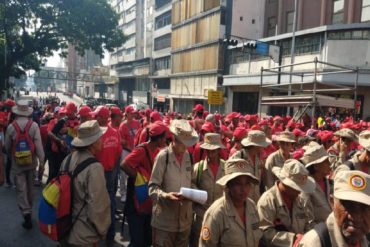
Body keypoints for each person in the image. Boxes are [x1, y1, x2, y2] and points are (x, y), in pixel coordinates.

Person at [59, 120, 111, 247]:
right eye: (99, 138)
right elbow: (98, 205)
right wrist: (102, 230)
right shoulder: (95, 167)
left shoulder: (68, 159)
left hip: (65, 227)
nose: (102, 141)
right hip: (84, 234)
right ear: (92, 143)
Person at [149, 119, 198, 247]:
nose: (185, 147)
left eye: (187, 144)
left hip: (184, 222)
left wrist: (194, 193)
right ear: (174, 139)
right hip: (164, 222)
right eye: (183, 144)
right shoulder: (162, 157)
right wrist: (165, 195)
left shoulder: (189, 157)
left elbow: (191, 182)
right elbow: (152, 188)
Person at [121, 121, 168, 247]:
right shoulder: (141, 150)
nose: (165, 140)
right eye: (164, 137)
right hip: (136, 202)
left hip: (147, 201)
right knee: (137, 241)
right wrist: (140, 178)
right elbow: (124, 165)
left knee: (147, 239)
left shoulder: (158, 150)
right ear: (158, 139)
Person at [199, 158, 262, 247]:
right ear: (228, 185)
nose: (243, 189)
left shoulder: (252, 206)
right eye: (238, 184)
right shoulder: (216, 214)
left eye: (247, 183)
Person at [298, 170, 370, 247]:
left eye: (366, 208)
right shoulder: (314, 243)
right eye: (348, 206)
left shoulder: (363, 238)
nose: (356, 217)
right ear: (332, 203)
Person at [4, 100, 44, 229]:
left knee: (21, 188)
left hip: (17, 163)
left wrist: (11, 156)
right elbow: (38, 145)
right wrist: (42, 161)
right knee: (30, 188)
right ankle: (30, 208)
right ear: (27, 112)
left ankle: (26, 212)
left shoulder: (11, 127)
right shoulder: (34, 126)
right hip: (31, 162)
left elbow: (7, 146)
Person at [257, 159, 315, 247]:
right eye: (296, 188)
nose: (299, 192)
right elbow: (264, 233)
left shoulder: (300, 200)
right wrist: (292, 239)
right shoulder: (267, 201)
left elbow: (307, 225)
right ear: (286, 184)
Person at [93, 106, 122, 247]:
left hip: (97, 172)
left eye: (97, 116)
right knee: (110, 201)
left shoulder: (96, 134)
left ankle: (98, 234)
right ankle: (110, 234)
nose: (95, 118)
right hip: (110, 170)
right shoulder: (115, 133)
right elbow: (118, 152)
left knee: (96, 202)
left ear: (102, 117)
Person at [190, 133, 226, 247]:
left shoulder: (226, 167)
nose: (211, 153)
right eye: (208, 150)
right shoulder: (198, 167)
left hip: (221, 216)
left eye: (214, 151)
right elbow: (190, 184)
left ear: (219, 150)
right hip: (201, 216)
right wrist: (198, 194)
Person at [230, 130, 271, 203]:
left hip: (255, 202)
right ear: (256, 146)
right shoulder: (238, 157)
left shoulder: (258, 159)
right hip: (240, 202)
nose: (264, 147)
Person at [300, 143, 332, 223]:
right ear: (316, 166)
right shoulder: (306, 188)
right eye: (326, 162)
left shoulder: (328, 182)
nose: (330, 164)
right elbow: (309, 220)